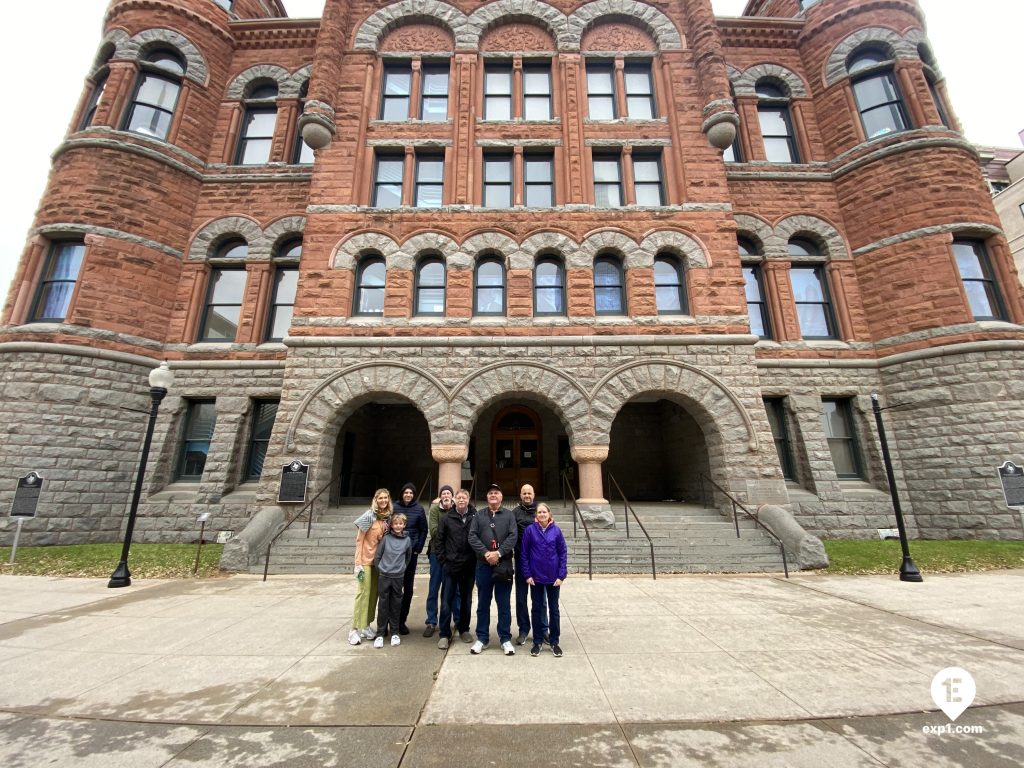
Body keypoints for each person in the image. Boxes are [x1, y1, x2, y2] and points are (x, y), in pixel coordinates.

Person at [467, 483, 518, 655]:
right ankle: (482, 638)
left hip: (503, 566)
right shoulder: (479, 515)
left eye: (496, 493)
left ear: (501, 497)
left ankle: (505, 638)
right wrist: (486, 553)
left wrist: (499, 552)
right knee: (483, 603)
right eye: (490, 493)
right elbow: (472, 536)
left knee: (503, 604)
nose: (493, 495)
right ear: (487, 497)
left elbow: (513, 536)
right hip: (483, 565)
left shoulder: (509, 515)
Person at [520, 502, 567, 657]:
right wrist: (527, 575)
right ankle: (537, 641)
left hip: (554, 578)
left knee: (554, 610)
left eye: (544, 512)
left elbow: (562, 553)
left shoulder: (557, 531)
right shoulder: (530, 531)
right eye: (539, 512)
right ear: (536, 515)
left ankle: (554, 642)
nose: (541, 515)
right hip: (536, 578)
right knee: (537, 609)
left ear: (549, 514)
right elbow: (524, 554)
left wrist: (561, 575)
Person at [435, 487, 477, 649]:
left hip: (468, 566)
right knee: (446, 601)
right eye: (458, 497)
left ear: (468, 500)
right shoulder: (447, 518)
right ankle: (444, 634)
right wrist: (443, 561)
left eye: (464, 498)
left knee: (466, 600)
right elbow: (439, 541)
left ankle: (464, 629)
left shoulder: (475, 516)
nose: (461, 500)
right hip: (450, 567)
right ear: (454, 500)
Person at [349, 488, 391, 645]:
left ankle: (365, 625)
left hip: (378, 563)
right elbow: (359, 540)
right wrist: (357, 563)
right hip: (365, 562)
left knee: (374, 594)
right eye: (380, 498)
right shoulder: (369, 516)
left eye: (385, 498)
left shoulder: (386, 518)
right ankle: (354, 629)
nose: (383, 501)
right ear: (375, 499)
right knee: (362, 593)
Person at [511, 483, 547, 645]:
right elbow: (511, 535)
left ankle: (543, 629)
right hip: (521, 560)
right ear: (520, 495)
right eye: (524, 493)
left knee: (540, 597)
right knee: (521, 597)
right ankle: (523, 629)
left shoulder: (540, 511)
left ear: (534, 494)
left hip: (538, 562)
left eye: (529, 493)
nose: (527, 495)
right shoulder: (514, 513)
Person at [372, 511, 413, 648]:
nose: (398, 526)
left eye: (400, 523)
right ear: (391, 525)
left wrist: (401, 569)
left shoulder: (407, 540)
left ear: (404, 525)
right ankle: (380, 633)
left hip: (398, 576)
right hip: (385, 576)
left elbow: (408, 557)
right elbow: (378, 556)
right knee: (383, 605)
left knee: (396, 605)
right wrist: (381, 569)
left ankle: (394, 632)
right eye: (395, 523)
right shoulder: (386, 539)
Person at [424, 485, 460, 636]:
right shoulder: (434, 510)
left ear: (452, 497)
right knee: (434, 588)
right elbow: (433, 531)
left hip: (453, 555)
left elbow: (459, 532)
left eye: (448, 493)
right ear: (440, 496)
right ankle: (431, 621)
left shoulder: (456, 509)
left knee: (455, 589)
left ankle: (458, 620)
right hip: (436, 554)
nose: (446, 495)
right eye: (443, 493)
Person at [393, 482, 428, 635]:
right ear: (402, 493)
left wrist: (418, 549)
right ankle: (390, 621)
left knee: (407, 589)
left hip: (410, 554)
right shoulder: (394, 507)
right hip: (394, 555)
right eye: (406, 492)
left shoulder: (419, 509)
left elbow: (423, 529)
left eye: (411, 493)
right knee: (393, 589)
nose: (408, 495)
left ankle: (401, 621)